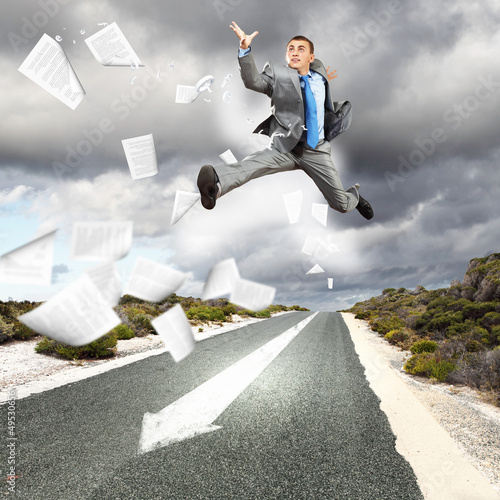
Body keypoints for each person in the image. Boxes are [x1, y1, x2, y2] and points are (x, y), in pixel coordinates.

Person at [197, 21, 374, 220]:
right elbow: (253, 81)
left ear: (311, 57)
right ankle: (216, 185)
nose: (295, 52)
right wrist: (245, 49)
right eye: (291, 49)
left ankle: (355, 199)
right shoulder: (277, 75)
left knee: (341, 204)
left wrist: (322, 81)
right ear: (286, 55)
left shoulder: (319, 75)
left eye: (301, 49)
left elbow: (312, 93)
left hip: (317, 150)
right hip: (285, 147)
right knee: (252, 165)